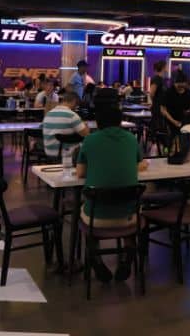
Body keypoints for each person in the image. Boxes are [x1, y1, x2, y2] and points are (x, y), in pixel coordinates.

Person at [76, 105, 147, 282]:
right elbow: (140, 164)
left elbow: (80, 173)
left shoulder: (90, 140)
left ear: (98, 123)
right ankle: (127, 258)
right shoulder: (131, 139)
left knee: (83, 210)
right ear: (120, 122)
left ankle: (97, 260)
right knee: (130, 206)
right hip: (129, 218)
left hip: (97, 219)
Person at [42, 92, 90, 159]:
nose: (76, 107)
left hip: (49, 152)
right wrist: (85, 124)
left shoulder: (48, 114)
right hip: (67, 154)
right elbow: (87, 135)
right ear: (74, 102)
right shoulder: (72, 115)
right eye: (77, 105)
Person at [161, 71, 190, 137]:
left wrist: (186, 118)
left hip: (182, 121)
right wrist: (173, 121)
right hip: (169, 121)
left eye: (182, 86)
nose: (180, 88)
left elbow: (186, 110)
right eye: (178, 86)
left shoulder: (188, 93)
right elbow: (163, 110)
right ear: (175, 83)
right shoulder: (169, 92)